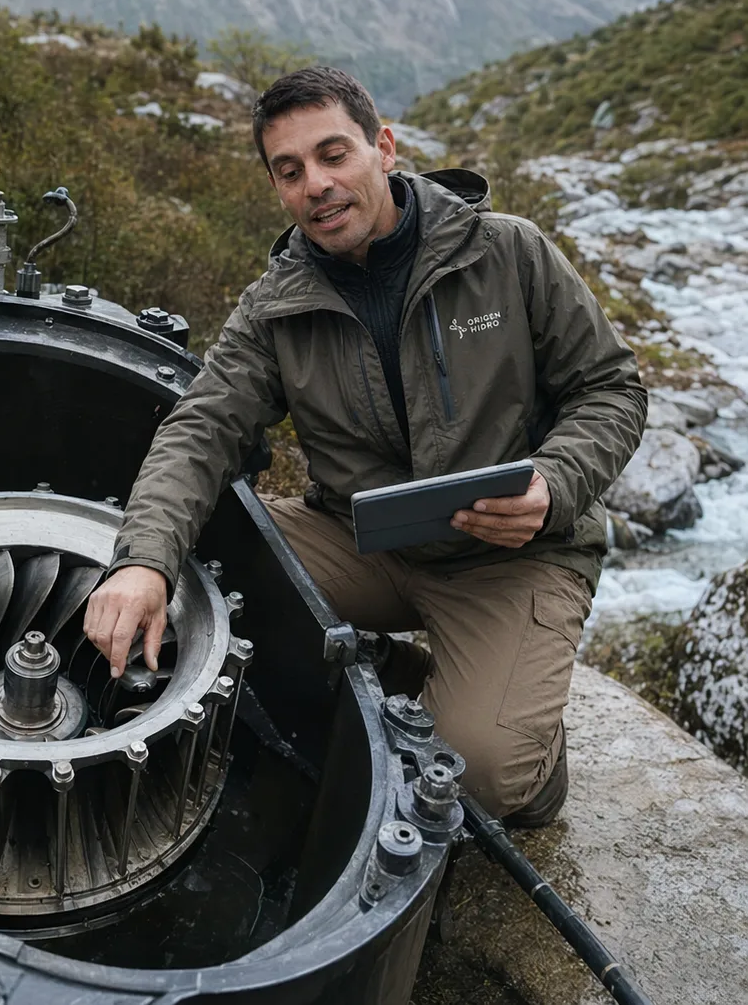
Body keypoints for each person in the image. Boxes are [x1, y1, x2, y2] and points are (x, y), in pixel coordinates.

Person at [84, 66, 646, 825]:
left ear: (383, 147)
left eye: (333, 154)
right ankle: (395, 669)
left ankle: (528, 753)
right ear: (279, 188)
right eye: (290, 171)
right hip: (363, 544)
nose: (316, 184)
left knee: (476, 777)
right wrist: (143, 561)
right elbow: (201, 429)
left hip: (513, 556)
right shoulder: (275, 305)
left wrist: (553, 484)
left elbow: (612, 388)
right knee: (191, 543)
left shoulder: (508, 253)